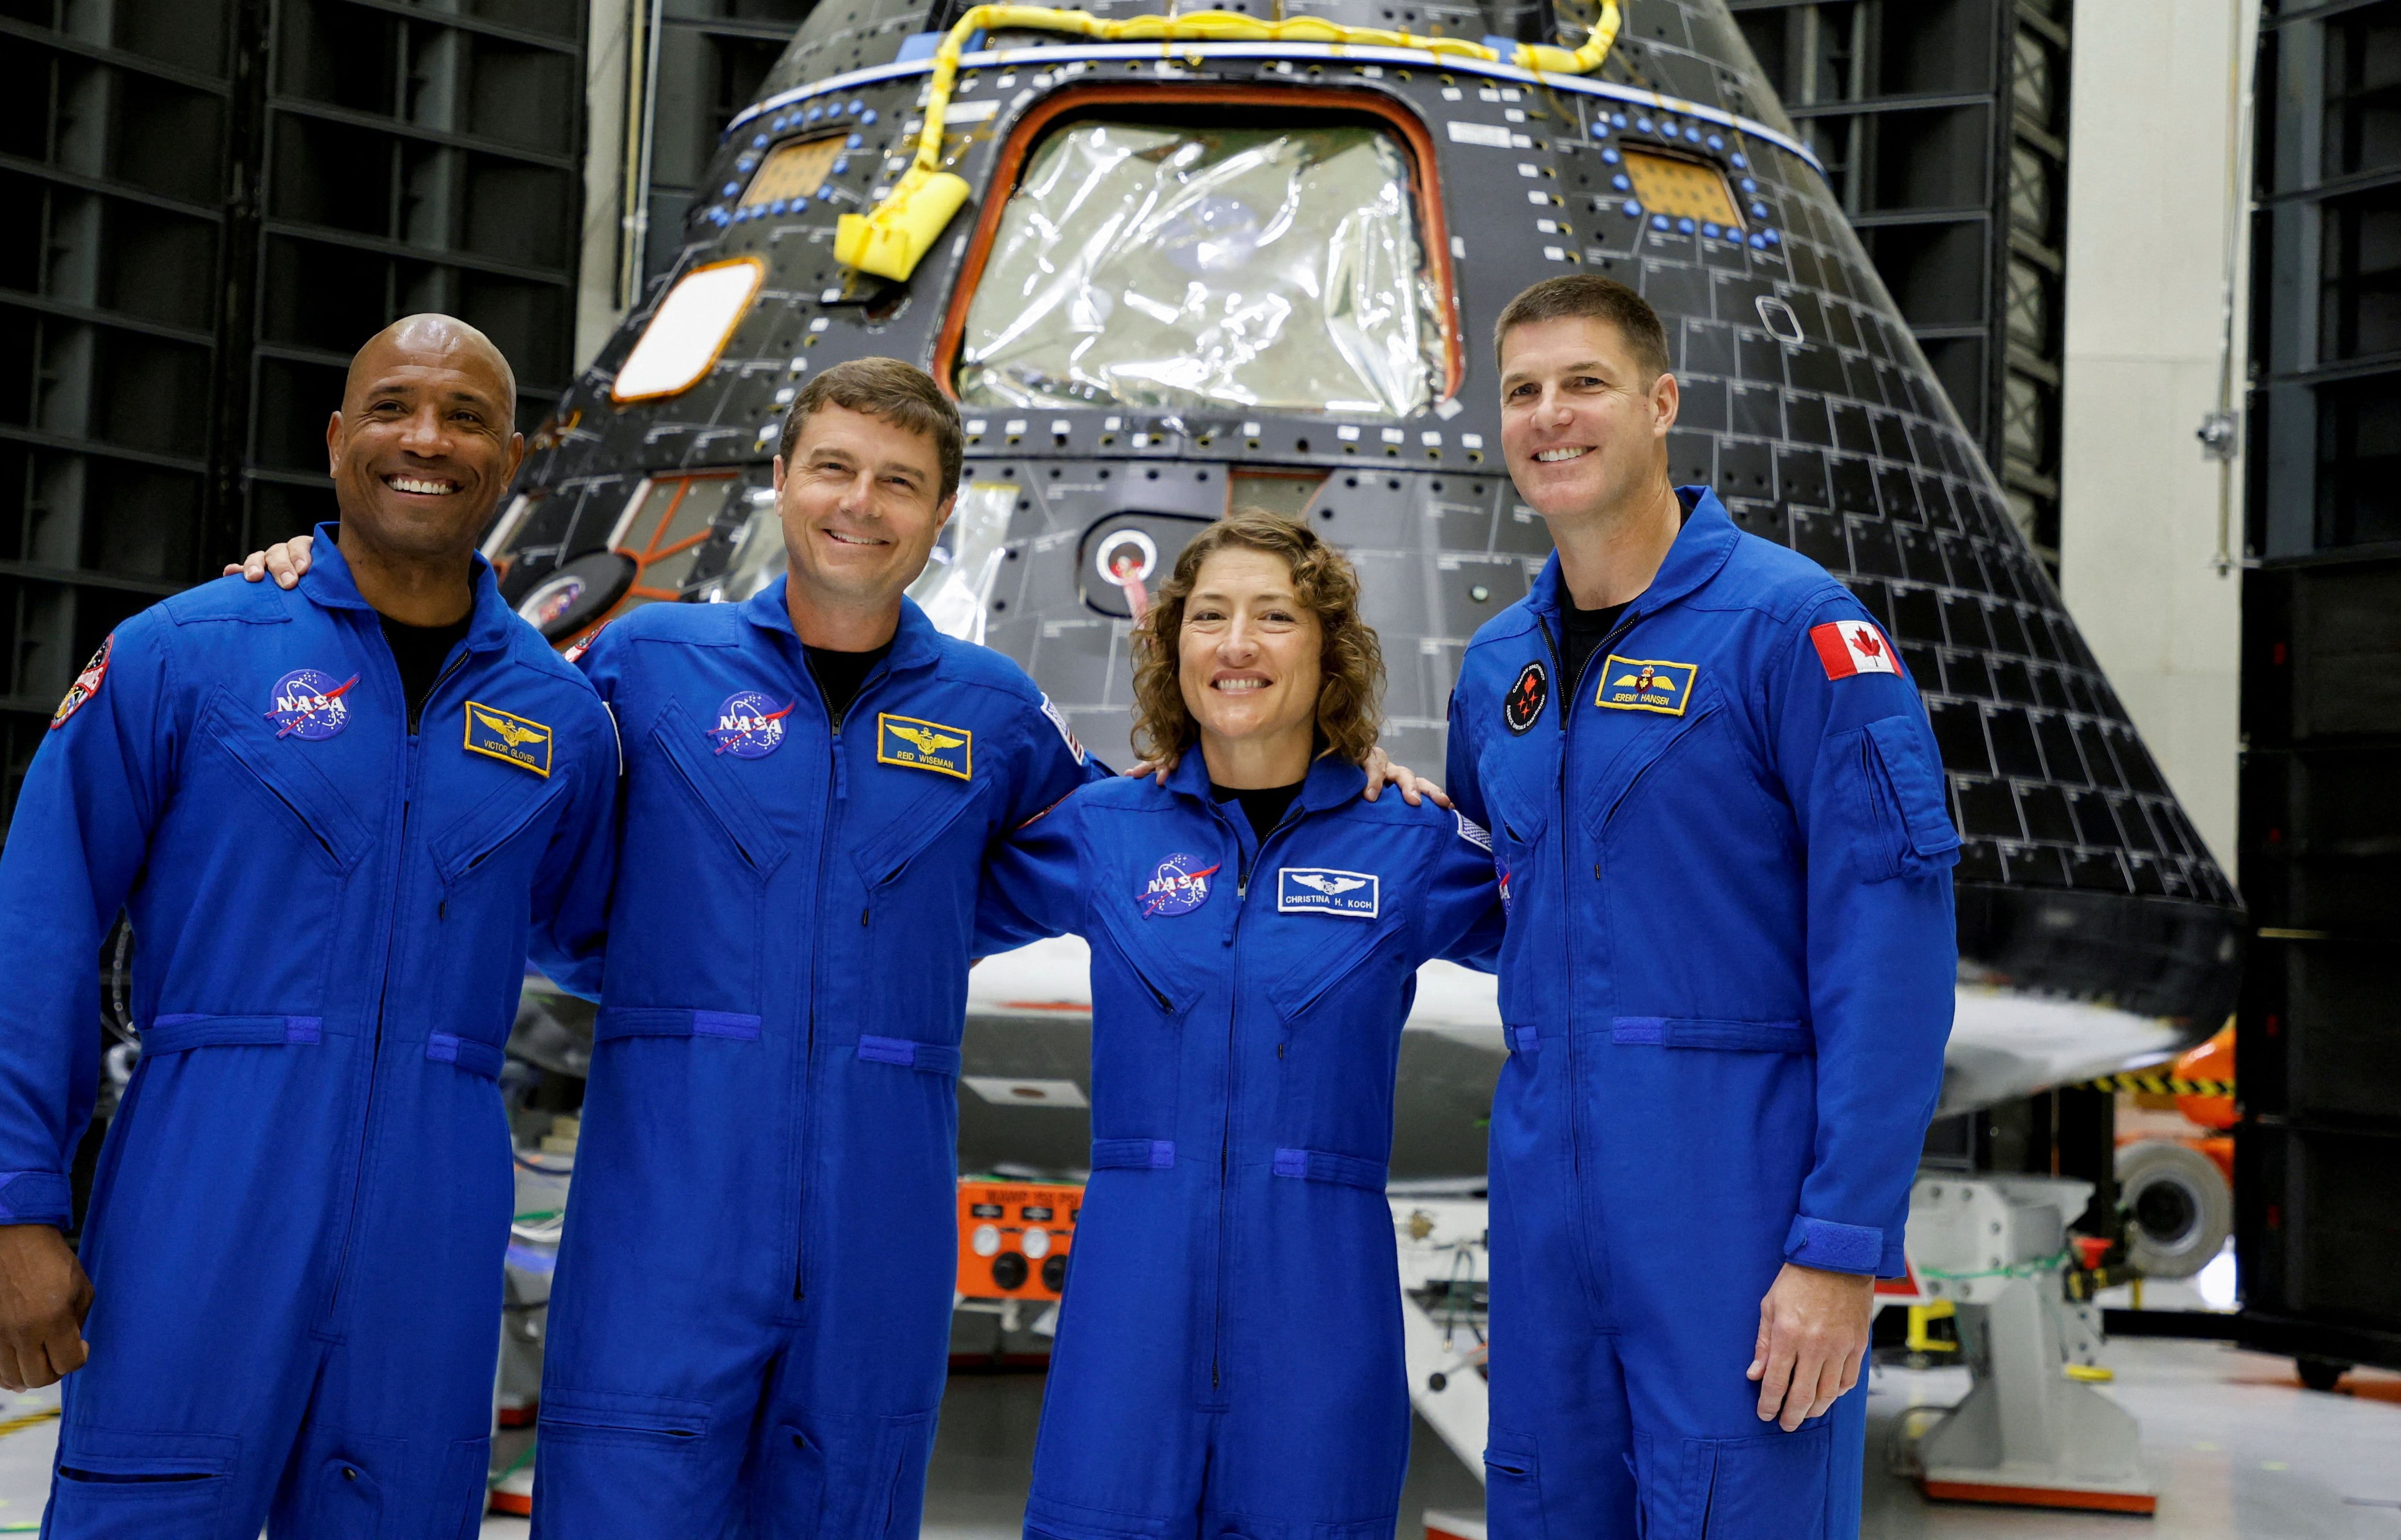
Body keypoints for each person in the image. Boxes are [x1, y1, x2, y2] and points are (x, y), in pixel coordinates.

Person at [233, 358, 1440, 1536]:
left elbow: (1150, 838)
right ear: (781, 477)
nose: (860, 504)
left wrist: (1353, 780)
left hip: (875, 1237)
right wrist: (320, 576)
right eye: (833, 468)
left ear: (944, 513)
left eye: (900, 481)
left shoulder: (992, 713)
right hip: (668, 1218)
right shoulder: (651, 665)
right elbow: (486, 746)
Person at [0, 316, 620, 1537]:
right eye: (392, 406)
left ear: (511, 458)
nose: (426, 438)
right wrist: (16, 1208)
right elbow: (39, 936)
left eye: (465, 415)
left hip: (436, 1214)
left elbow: (599, 935)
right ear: (335, 440)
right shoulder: (184, 655)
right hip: (201, 1184)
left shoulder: (566, 720)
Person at [1446, 276, 1958, 1540]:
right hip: (1546, 1216)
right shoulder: (1496, 668)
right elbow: (1496, 901)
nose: (1549, 417)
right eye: (1521, 392)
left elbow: (1886, 957)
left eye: (1585, 384)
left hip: (1732, 1208)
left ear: (1662, 402)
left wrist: (1839, 1246)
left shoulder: (1794, 631)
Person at [976, 510, 1502, 1540]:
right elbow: (910, 898)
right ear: (1174, 647)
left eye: (1275, 616)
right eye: (1208, 615)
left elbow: (1580, 936)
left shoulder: (1412, 839)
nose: (1237, 643)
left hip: (1320, 1302)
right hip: (1130, 1303)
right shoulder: (1102, 830)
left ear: (1328, 648)